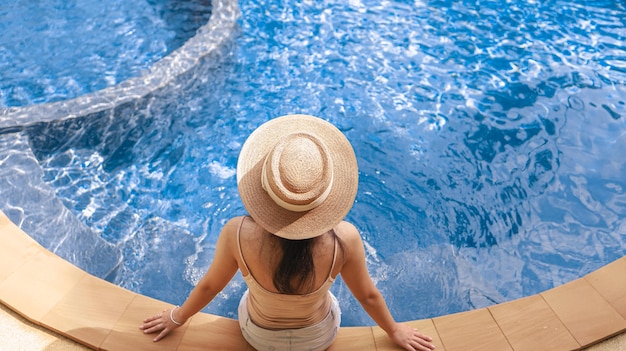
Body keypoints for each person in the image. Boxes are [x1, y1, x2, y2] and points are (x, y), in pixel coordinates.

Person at [140, 114, 436, 351]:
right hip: (318, 340)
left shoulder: (237, 232)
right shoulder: (344, 239)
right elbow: (369, 296)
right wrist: (394, 330)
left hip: (259, 338)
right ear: (325, 198)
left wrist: (176, 318)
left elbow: (209, 287)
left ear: (264, 190)